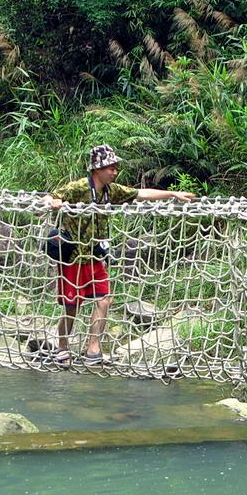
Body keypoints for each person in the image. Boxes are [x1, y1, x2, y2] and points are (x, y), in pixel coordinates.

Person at [42, 144, 194, 365]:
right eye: (110, 167)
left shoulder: (110, 191)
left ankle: (93, 349)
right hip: (73, 256)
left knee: (104, 300)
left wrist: (172, 193)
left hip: (94, 255)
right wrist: (53, 203)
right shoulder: (78, 188)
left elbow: (141, 194)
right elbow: (50, 197)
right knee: (72, 306)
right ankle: (62, 347)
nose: (114, 172)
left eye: (115, 168)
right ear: (97, 169)